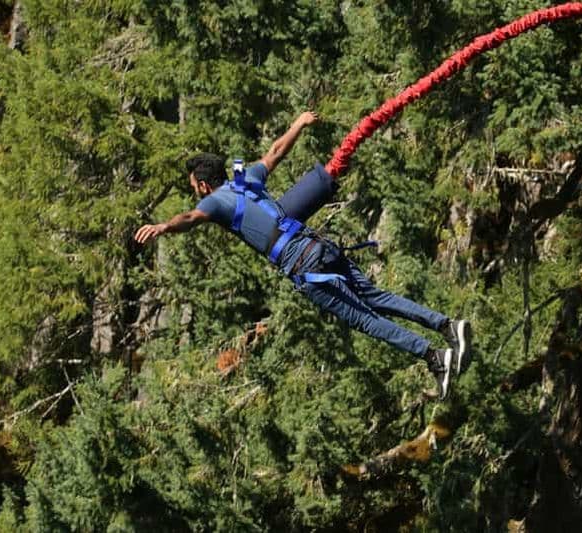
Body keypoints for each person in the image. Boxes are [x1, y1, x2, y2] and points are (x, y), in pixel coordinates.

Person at [134, 111, 472, 399]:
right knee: (376, 297)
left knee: (365, 319)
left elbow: (191, 217)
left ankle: (435, 357)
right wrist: (299, 123)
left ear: (203, 186)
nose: (196, 194)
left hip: (301, 263)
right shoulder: (245, 179)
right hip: (318, 246)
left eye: (194, 187)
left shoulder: (214, 202)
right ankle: (447, 326)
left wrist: (164, 226)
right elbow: (275, 152)